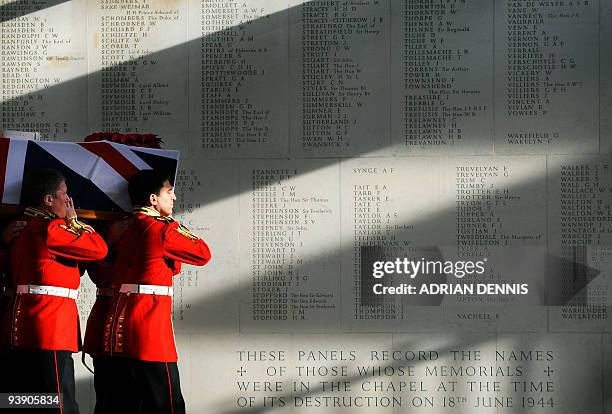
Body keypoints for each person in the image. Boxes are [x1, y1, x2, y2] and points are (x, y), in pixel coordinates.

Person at [84, 169, 211, 414]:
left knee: (117, 406)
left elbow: (101, 275)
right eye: (169, 192)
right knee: (166, 405)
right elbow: (202, 253)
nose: (174, 198)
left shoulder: (116, 230)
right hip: (148, 332)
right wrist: (173, 224)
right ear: (153, 199)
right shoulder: (163, 230)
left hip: (112, 334)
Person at [0, 168, 108, 413]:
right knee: (60, 403)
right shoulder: (53, 230)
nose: (69, 201)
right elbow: (99, 249)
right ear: (48, 200)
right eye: (65, 194)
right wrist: (73, 221)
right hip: (49, 329)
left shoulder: (19, 229)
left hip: (17, 331)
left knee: (20, 400)